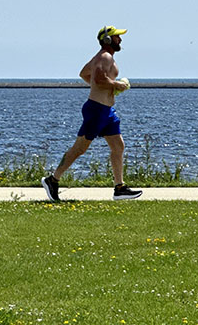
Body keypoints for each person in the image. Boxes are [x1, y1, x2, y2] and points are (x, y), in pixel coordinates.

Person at [41, 26, 143, 201]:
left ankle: (119, 188)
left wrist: (105, 86)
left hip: (107, 111)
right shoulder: (104, 56)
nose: (121, 40)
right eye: (117, 37)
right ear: (108, 40)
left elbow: (84, 74)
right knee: (80, 148)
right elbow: (98, 79)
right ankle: (52, 180)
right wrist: (116, 85)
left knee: (118, 147)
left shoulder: (102, 57)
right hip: (96, 109)